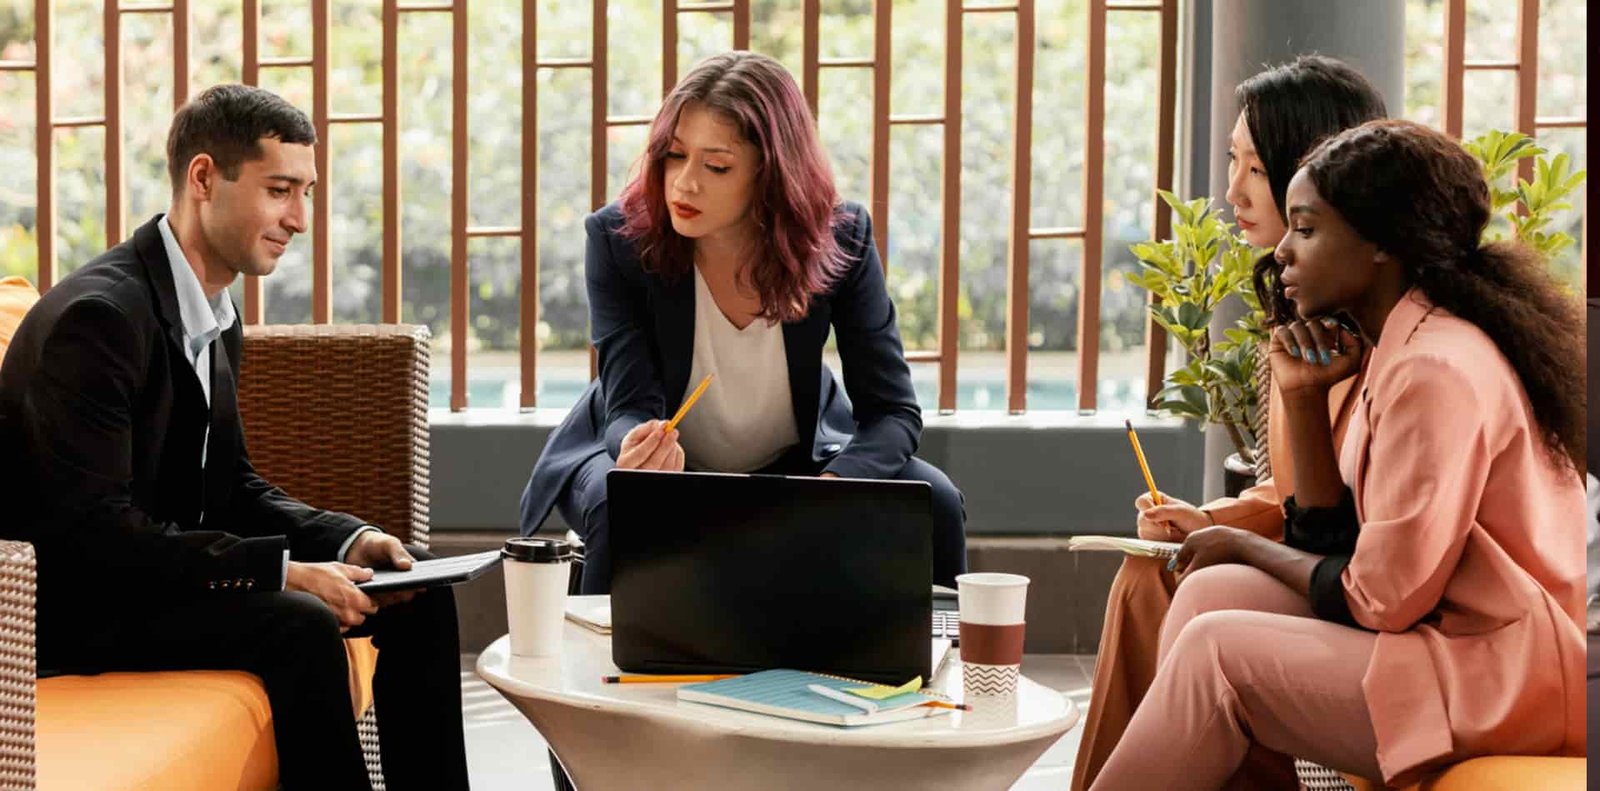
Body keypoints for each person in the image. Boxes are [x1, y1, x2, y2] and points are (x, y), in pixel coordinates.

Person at [1089, 119, 1587, 790]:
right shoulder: (1401, 345)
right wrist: (1303, 399)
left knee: (1218, 651)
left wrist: (1241, 543)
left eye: (1306, 228)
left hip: (1501, 674)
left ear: (1381, 242)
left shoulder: (1435, 369)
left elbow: (1380, 598)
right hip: (1444, 636)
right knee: (1210, 594)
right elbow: (1338, 543)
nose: (1281, 252)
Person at [0, 84, 469, 790]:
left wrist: (348, 538)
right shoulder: (99, 319)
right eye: (280, 191)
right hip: (75, 610)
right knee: (300, 623)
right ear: (203, 178)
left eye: (306, 193)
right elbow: (95, 535)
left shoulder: (213, 310)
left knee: (415, 588)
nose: (299, 219)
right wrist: (282, 571)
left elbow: (231, 485)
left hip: (152, 577)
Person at [518, 51, 967, 594]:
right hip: (642, 459)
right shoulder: (620, 241)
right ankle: (601, 651)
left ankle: (943, 648)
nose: (683, 184)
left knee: (936, 500)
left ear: (772, 173)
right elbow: (627, 403)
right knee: (624, 500)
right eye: (674, 156)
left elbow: (893, 412)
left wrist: (835, 486)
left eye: (716, 166)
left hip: (800, 462)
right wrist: (638, 444)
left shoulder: (840, 238)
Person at [1073, 54, 1386, 791]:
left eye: (1257, 168)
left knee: (1177, 587)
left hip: (1361, 588)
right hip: (1326, 563)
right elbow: (1295, 494)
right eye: (1231, 161)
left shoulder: (1385, 344)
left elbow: (1346, 528)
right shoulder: (1302, 317)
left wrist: (1233, 534)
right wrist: (1208, 519)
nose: (1232, 191)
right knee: (1151, 572)